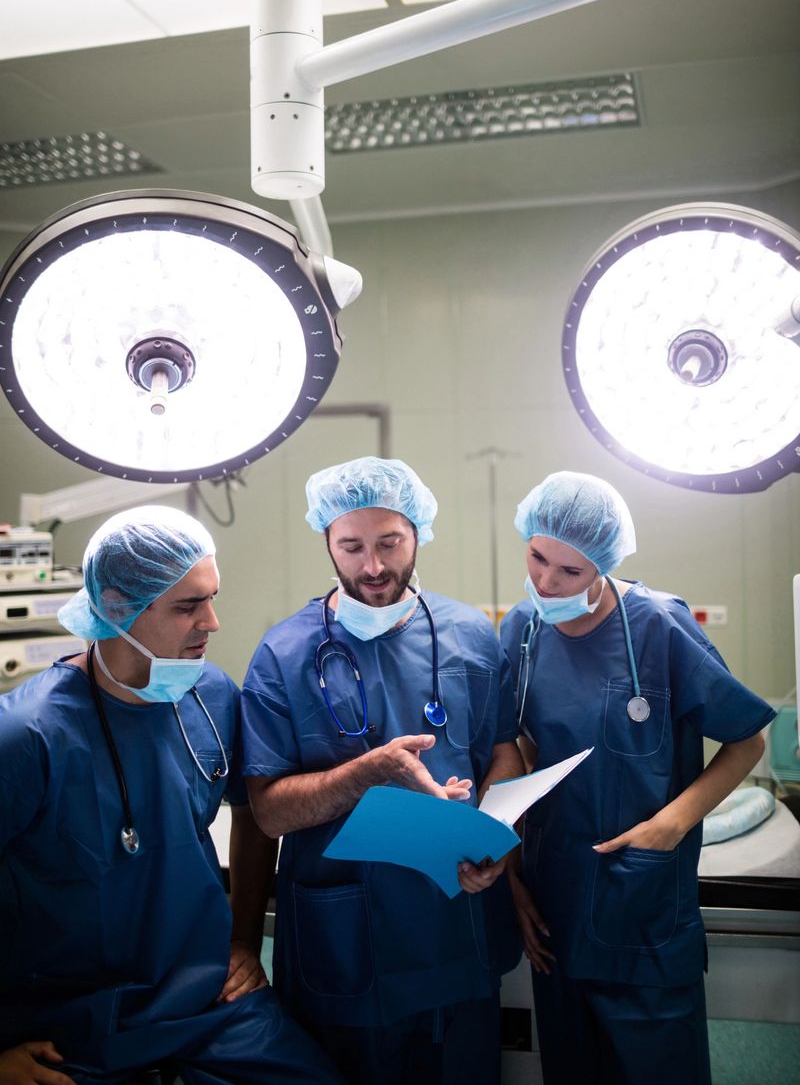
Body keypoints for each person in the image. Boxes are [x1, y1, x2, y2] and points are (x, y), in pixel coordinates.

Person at [0, 506, 342, 1085]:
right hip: (68, 1023)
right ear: (114, 607)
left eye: (211, 598)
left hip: (205, 1000)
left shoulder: (210, 693)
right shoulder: (27, 735)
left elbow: (254, 811)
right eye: (187, 606)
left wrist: (242, 936)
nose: (211, 623)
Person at [241, 456, 524, 1085]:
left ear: (419, 531)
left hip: (455, 923)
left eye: (390, 542)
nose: (372, 567)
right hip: (345, 941)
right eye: (352, 547)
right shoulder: (283, 655)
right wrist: (364, 774)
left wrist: (494, 837)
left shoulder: (472, 636)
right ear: (328, 543)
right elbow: (267, 809)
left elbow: (503, 748)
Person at [499, 471, 776, 1085]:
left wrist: (670, 826)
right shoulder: (521, 629)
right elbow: (517, 746)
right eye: (538, 557)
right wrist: (512, 874)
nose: (546, 582)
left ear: (602, 563)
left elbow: (747, 737)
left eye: (569, 572)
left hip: (643, 904)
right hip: (555, 901)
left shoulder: (658, 625)